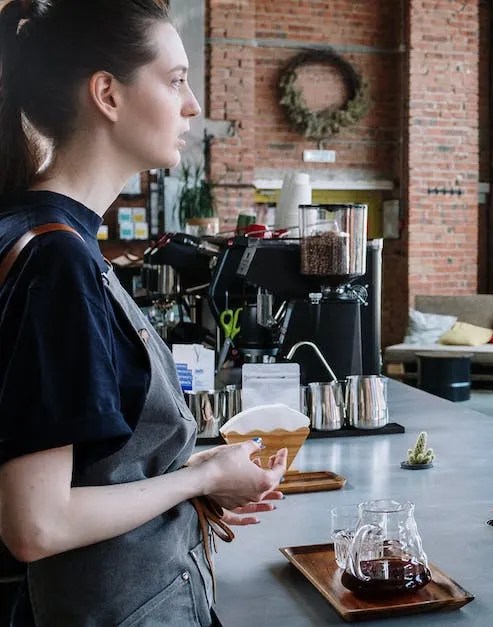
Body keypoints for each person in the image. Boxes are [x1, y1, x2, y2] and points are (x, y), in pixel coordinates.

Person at [0, 1, 288, 625]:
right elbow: (36, 524)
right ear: (107, 94)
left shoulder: (36, 232)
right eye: (176, 80)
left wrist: (191, 469)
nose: (193, 106)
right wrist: (197, 482)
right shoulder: (58, 260)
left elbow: (86, 469)